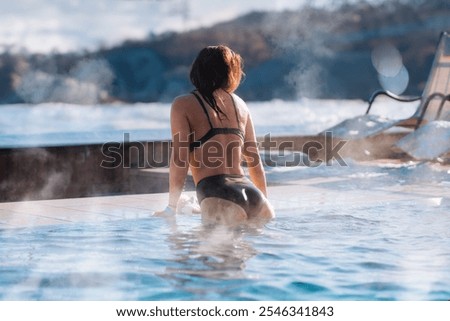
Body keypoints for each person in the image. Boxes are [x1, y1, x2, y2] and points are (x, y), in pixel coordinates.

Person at [155, 45, 274, 225]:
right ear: (231, 73)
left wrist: (171, 207)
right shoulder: (241, 105)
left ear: (197, 70)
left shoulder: (183, 104)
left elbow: (180, 159)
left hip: (218, 193)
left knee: (210, 251)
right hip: (254, 195)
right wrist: (263, 200)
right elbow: (255, 161)